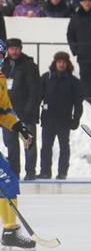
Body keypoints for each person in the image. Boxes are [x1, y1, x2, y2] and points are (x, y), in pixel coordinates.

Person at [0, 39, 40, 251]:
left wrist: (19, 127)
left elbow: (4, 111)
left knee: (7, 180)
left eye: (0, 56)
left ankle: (10, 231)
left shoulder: (1, 79)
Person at [38, 52, 82, 180]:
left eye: (64, 62)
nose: (61, 64)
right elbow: (38, 98)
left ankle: (62, 173)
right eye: (59, 62)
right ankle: (45, 172)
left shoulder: (74, 81)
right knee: (45, 147)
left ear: (67, 64)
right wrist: (35, 115)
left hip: (64, 121)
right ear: (55, 63)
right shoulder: (46, 78)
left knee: (64, 148)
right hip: (48, 119)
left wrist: (76, 119)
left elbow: (78, 103)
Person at [1, 39, 40, 180]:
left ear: (21, 49)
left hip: (26, 113)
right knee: (11, 145)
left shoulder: (29, 65)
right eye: (11, 49)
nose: (14, 51)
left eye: (17, 48)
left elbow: (35, 89)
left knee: (29, 143)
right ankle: (14, 173)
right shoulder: (3, 66)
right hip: (8, 114)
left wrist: (30, 109)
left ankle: (30, 172)